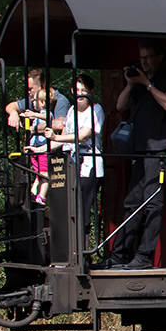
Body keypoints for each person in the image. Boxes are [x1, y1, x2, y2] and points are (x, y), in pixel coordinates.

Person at [111, 41, 166, 270]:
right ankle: (119, 256)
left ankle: (145, 257)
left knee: (153, 202)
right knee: (132, 203)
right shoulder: (140, 82)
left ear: (159, 57)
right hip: (140, 151)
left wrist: (147, 84)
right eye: (141, 58)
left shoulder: (165, 76)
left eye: (148, 57)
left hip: (159, 151)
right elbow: (120, 105)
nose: (144, 62)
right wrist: (131, 84)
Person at [50, 76, 106, 232]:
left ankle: (83, 251)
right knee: (71, 207)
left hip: (89, 165)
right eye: (77, 91)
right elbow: (65, 139)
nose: (80, 95)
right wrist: (41, 149)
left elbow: (83, 135)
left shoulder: (96, 110)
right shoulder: (71, 110)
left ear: (91, 92)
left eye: (84, 91)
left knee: (83, 210)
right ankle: (74, 248)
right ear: (72, 91)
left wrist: (56, 137)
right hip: (72, 164)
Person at [6, 69, 71, 133]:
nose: (28, 92)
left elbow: (60, 125)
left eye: (30, 89)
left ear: (42, 86)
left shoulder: (61, 100)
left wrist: (34, 129)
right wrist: (13, 113)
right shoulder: (35, 100)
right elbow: (12, 106)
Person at [22, 89, 52, 204]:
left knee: (44, 173)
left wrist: (33, 114)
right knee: (38, 173)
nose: (33, 103)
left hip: (43, 148)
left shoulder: (46, 114)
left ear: (43, 102)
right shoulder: (38, 116)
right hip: (35, 148)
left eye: (35, 101)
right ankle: (36, 192)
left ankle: (42, 196)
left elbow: (49, 118)